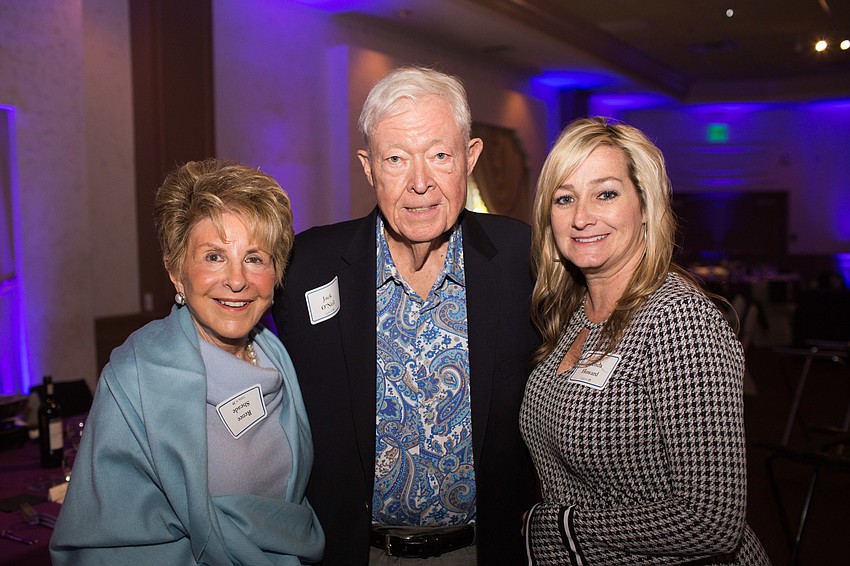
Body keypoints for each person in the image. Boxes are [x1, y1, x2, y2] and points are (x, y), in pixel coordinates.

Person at [273, 66, 539, 565]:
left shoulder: (525, 258)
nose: (420, 183)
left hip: (486, 551)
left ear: (471, 158)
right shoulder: (307, 265)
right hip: (355, 553)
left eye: (440, 155)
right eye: (396, 158)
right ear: (369, 167)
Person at [520, 117, 771, 565]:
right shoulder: (577, 316)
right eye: (565, 198)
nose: (581, 216)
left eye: (606, 193)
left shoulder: (678, 320)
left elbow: (712, 520)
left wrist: (559, 525)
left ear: (645, 206)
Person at [50, 159, 324, 565]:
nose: (236, 280)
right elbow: (103, 545)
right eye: (214, 256)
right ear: (178, 274)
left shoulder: (276, 356)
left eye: (254, 258)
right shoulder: (136, 379)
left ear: (275, 272)